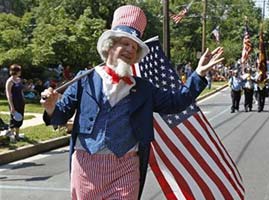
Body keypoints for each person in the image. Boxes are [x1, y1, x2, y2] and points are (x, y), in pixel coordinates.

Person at [40, 5, 224, 200]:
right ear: (109, 46)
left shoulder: (143, 88)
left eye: (134, 47)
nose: (130, 49)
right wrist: (51, 107)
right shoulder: (84, 80)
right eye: (125, 43)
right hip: (86, 166)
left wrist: (199, 74)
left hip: (126, 167)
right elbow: (60, 115)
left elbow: (175, 103)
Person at [5, 64, 25, 142]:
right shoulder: (9, 81)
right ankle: (12, 135)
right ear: (15, 71)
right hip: (14, 102)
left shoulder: (19, 80)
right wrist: (12, 106)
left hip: (21, 102)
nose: (20, 72)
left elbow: (21, 91)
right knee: (13, 118)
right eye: (19, 70)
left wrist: (23, 99)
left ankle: (17, 135)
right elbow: (8, 94)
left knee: (20, 118)